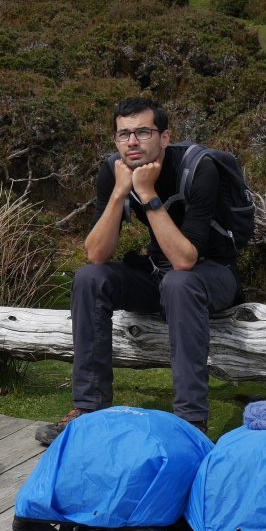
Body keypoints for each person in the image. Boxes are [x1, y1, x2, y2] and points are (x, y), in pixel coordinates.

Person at [35, 97, 242, 445]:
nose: (132, 142)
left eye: (143, 132)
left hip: (213, 274)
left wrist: (147, 194)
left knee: (179, 282)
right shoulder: (113, 170)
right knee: (89, 278)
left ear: (164, 137)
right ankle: (89, 409)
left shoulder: (197, 168)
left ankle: (191, 422)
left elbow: (186, 260)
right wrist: (118, 194)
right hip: (160, 274)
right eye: (123, 135)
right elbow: (95, 254)